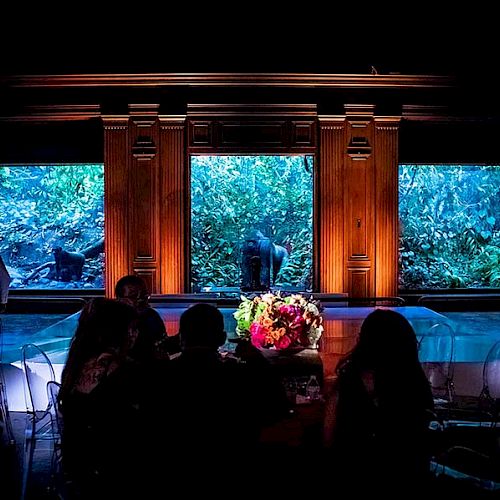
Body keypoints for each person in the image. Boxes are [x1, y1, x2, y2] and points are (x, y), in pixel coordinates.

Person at [144, 303, 288, 493]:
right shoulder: (240, 376)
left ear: (180, 339)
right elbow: (278, 409)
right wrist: (258, 361)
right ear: (221, 338)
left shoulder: (158, 378)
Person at [323, 309, 434, 494]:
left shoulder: (347, 381)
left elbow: (327, 437)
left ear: (363, 341)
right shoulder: (415, 383)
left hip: (350, 479)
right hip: (407, 480)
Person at [58, 298, 144, 498]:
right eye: (130, 328)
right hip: (112, 469)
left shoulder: (77, 363)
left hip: (79, 464)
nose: (135, 334)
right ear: (114, 331)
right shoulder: (122, 369)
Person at [115, 274, 180, 361]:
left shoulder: (152, 316)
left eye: (144, 295)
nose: (140, 300)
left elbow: (162, 346)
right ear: (119, 299)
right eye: (133, 296)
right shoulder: (112, 320)